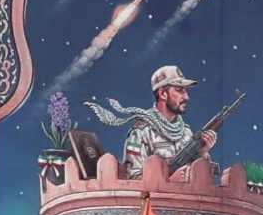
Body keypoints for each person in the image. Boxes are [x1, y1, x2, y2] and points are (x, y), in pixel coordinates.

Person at [87, 63, 217, 172]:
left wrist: (203, 153)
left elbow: (198, 178)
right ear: (163, 94)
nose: (186, 97)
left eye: (186, 91)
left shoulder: (186, 132)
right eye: (179, 90)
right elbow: (134, 176)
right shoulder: (141, 132)